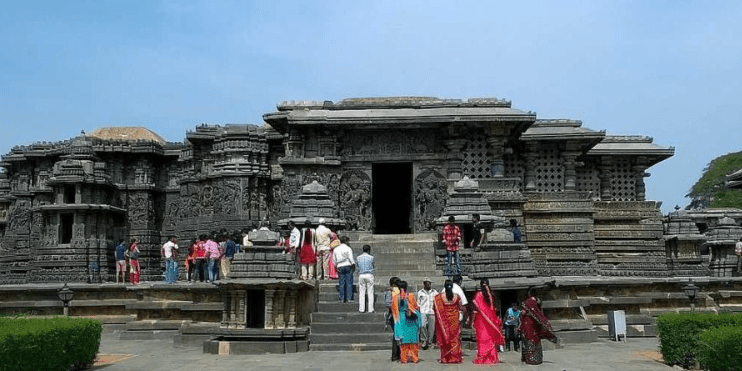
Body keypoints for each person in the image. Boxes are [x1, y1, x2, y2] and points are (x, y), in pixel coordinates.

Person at [518, 288, 558, 365]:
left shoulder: (530, 301)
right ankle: (534, 358)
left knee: (530, 339)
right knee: (533, 339)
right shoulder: (536, 300)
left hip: (529, 323)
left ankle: (532, 359)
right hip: (532, 323)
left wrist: (525, 312)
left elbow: (531, 311)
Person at [471, 278, 505, 364]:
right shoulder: (491, 295)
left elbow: (475, 310)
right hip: (491, 320)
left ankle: (483, 357)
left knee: (482, 339)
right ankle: (492, 357)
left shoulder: (478, 295)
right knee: (490, 338)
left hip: (481, 321)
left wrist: (472, 321)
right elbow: (495, 309)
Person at [391, 280, 422, 364]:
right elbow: (415, 307)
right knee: (413, 340)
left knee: (403, 341)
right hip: (411, 320)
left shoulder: (395, 298)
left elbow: (393, 310)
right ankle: (415, 358)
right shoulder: (410, 296)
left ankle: (404, 359)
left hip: (401, 320)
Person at [434, 279, 463, 364]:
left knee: (445, 337)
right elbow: (460, 307)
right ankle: (455, 357)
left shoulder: (439, 297)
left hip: (444, 320)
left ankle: (445, 358)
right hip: (454, 320)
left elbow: (435, 308)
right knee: (454, 337)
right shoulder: (457, 296)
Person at [417, 277, 438, 350]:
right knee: (423, 325)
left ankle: (430, 341)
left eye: (429, 284)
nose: (428, 285)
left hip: (432, 311)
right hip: (423, 311)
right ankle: (424, 340)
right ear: (424, 284)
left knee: (431, 328)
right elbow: (418, 303)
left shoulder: (434, 292)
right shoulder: (420, 292)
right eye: (427, 284)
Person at [333, 235, 355, 302]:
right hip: (347, 264)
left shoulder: (336, 249)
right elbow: (351, 258)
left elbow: (334, 260)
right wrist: (353, 264)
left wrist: (336, 265)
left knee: (341, 282)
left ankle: (341, 298)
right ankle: (349, 298)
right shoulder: (348, 248)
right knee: (349, 282)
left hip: (340, 266)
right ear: (346, 241)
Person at [385, 277, 401, 362]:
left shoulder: (400, 291)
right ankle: (395, 356)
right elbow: (388, 303)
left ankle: (400, 354)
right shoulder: (389, 292)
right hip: (393, 316)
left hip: (400, 316)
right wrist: (395, 307)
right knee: (396, 335)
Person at [356, 244, 375, 313]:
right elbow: (373, 266)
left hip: (361, 275)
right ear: (369, 250)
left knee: (362, 292)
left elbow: (357, 265)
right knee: (370, 292)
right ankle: (371, 309)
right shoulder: (371, 257)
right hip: (369, 274)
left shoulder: (358, 257)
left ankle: (361, 309)